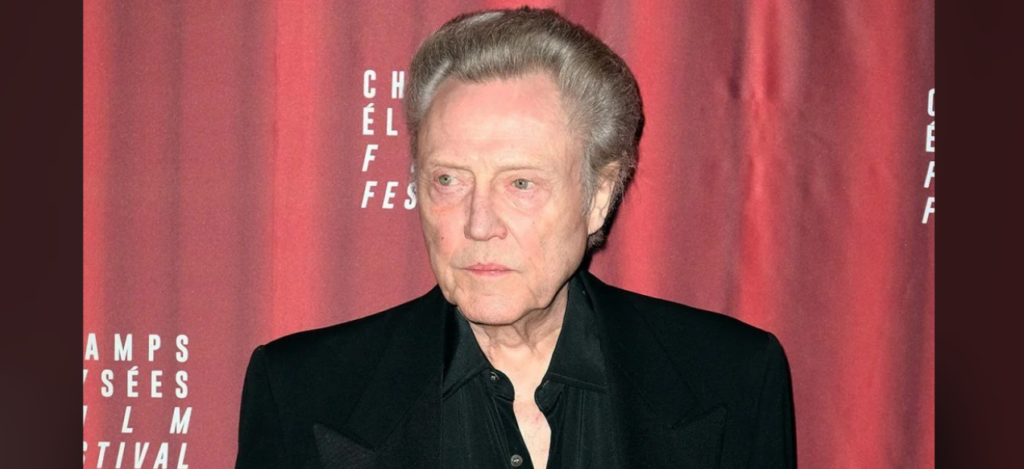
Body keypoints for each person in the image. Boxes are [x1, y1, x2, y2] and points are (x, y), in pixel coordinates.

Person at [236, 7, 795, 469]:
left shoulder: (733, 378)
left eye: (520, 183)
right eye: (449, 180)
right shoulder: (300, 393)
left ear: (598, 195)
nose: (479, 224)